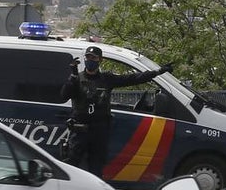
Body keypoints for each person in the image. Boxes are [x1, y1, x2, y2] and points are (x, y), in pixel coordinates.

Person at [60, 45, 173, 176]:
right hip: (79, 131)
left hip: (99, 131)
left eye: (94, 58)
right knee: (72, 166)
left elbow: (133, 78)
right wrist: (73, 76)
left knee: (97, 167)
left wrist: (157, 72)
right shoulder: (77, 79)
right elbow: (64, 95)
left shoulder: (106, 79)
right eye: (88, 57)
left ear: (100, 60)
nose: (90, 60)